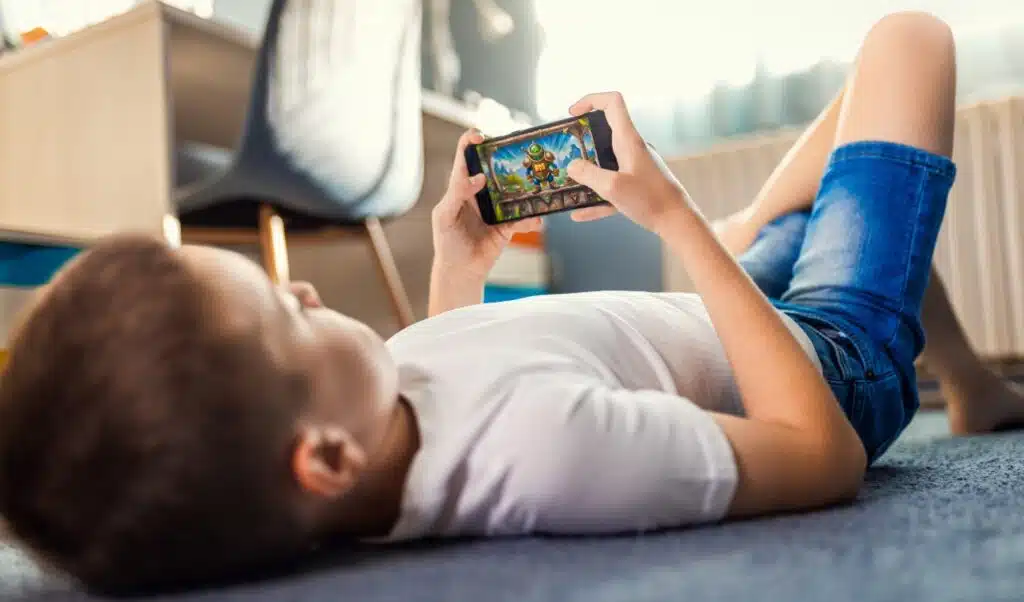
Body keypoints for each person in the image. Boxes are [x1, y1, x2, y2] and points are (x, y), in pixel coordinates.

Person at [0, 11, 984, 596]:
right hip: (819, 361)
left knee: (832, 184)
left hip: (718, 319)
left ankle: (966, 381)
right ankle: (741, 241)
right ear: (325, 456)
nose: (302, 285)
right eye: (287, 311)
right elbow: (819, 455)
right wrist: (675, 224)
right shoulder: (548, 447)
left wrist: (457, 268)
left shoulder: (367, 434)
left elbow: (453, 375)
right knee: (905, 42)